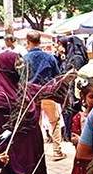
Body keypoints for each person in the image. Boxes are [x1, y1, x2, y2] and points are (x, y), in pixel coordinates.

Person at [23, 30, 66, 161]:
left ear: (27, 41)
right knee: (55, 122)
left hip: (31, 96)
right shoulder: (49, 57)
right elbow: (57, 76)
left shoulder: (24, 59)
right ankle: (57, 151)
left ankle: (37, 152)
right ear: (40, 41)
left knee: (35, 124)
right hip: (48, 93)